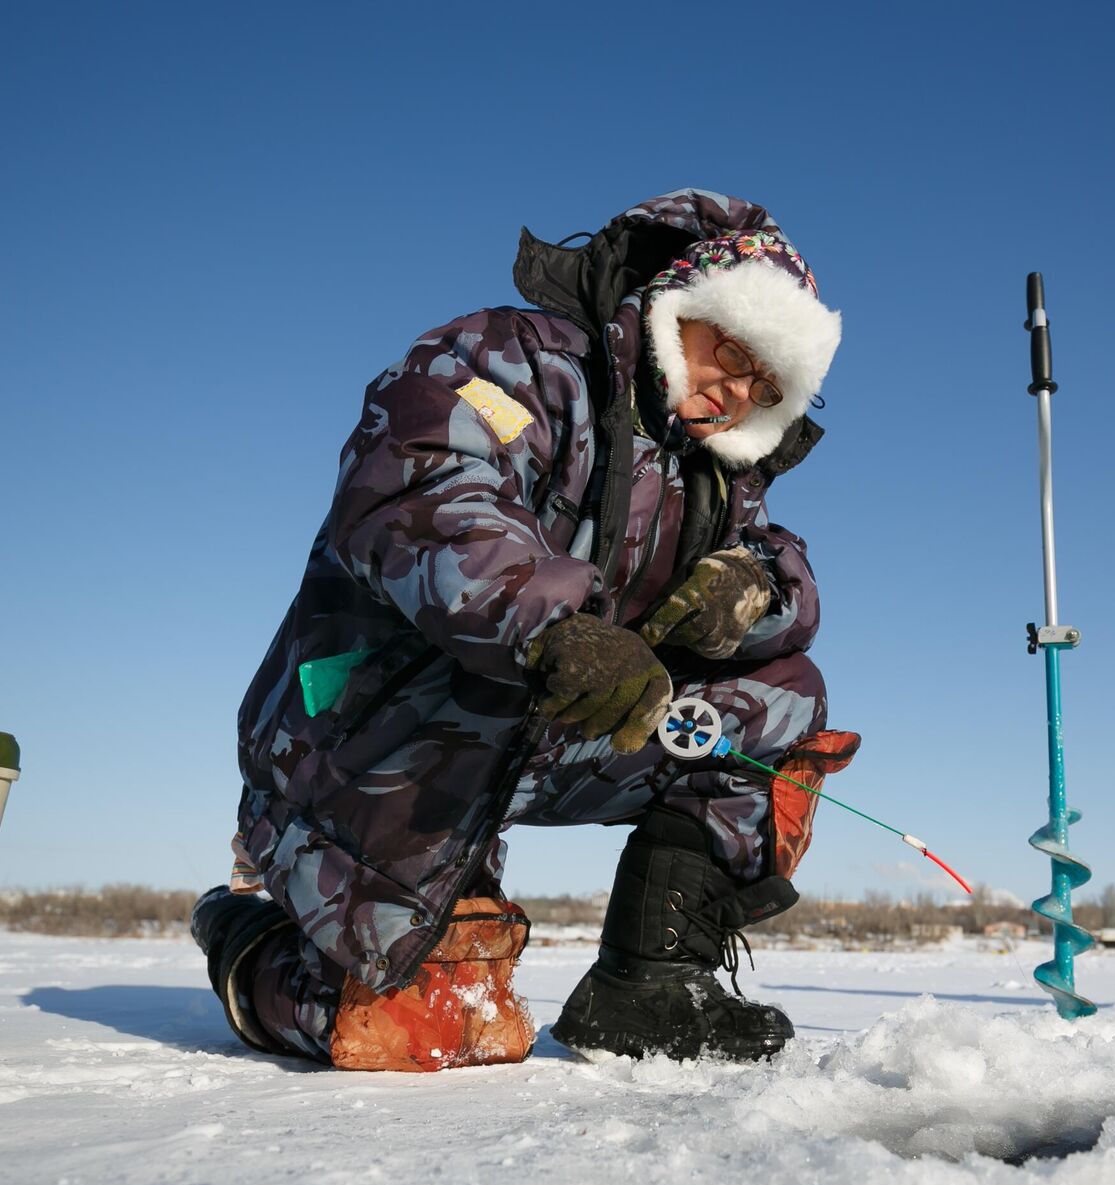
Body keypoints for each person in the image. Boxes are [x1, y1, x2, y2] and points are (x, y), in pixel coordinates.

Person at [192, 190, 858, 1070]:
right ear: (682, 305)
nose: (735, 389)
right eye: (730, 351)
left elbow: (786, 571)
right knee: (430, 1028)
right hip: (382, 733)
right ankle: (244, 929)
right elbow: (425, 484)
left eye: (763, 384)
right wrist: (560, 628)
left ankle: (651, 984)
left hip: (543, 736)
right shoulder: (515, 363)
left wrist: (752, 587)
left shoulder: (720, 478)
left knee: (785, 701)